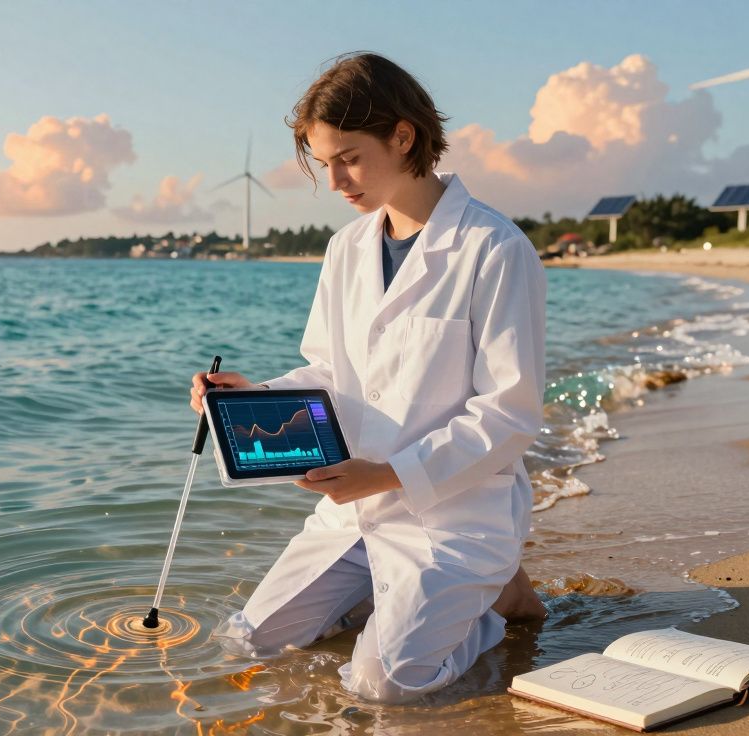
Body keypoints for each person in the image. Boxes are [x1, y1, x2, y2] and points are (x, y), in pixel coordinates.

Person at [188, 52, 547, 704]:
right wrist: (255, 396)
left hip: (453, 515)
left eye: (348, 158)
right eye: (323, 163)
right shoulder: (346, 249)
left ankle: (493, 604)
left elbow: (509, 414)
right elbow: (331, 369)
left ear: (403, 136)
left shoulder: (494, 249)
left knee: (385, 686)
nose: (334, 181)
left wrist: (387, 474)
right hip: (355, 512)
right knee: (249, 644)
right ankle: (386, 602)